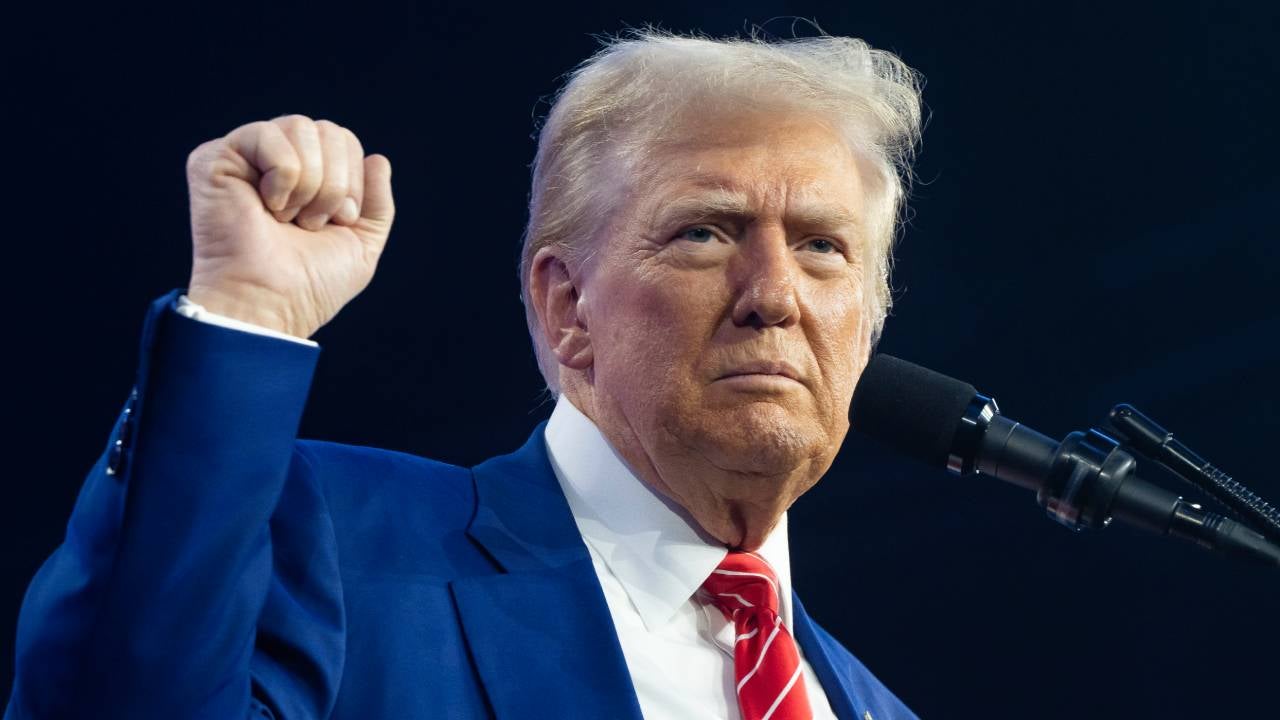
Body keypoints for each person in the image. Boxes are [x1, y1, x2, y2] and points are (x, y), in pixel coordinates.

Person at [5, 30, 922, 720]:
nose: (773, 294)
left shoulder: (874, 707)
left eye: (823, 248)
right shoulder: (333, 538)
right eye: (704, 232)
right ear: (567, 307)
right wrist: (245, 313)